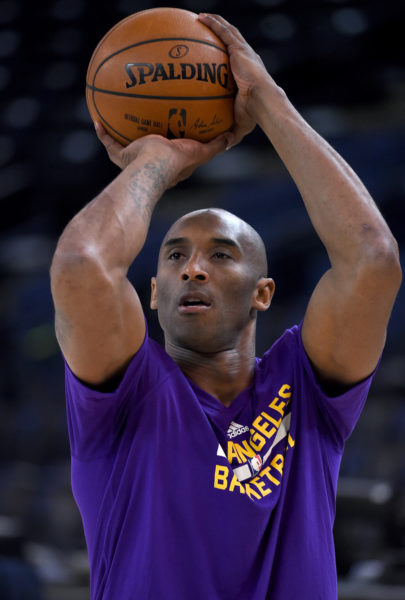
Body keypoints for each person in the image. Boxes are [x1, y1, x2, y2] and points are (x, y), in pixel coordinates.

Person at [50, 13, 401, 600]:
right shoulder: (125, 396)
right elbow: (81, 266)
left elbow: (374, 259)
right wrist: (156, 162)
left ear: (263, 293)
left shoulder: (307, 391)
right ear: (154, 292)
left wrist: (266, 99)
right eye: (175, 256)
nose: (194, 267)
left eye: (221, 254)